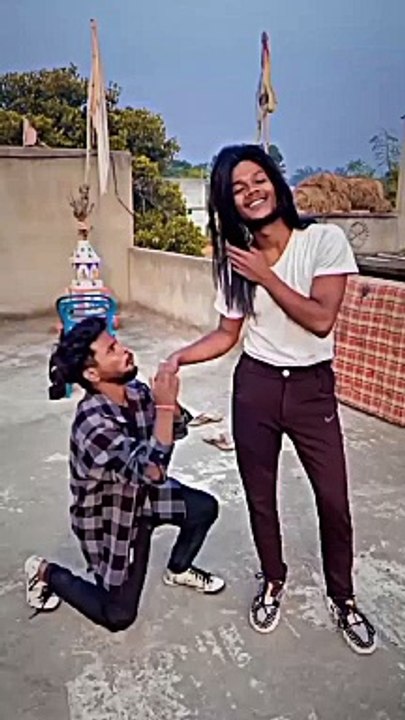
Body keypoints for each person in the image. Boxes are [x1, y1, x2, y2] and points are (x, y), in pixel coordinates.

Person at [164, 144, 377, 655]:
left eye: (258, 180)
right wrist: (177, 358)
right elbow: (226, 334)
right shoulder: (235, 262)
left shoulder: (322, 241)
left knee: (333, 500)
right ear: (228, 202)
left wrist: (266, 275)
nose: (251, 192)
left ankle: (343, 598)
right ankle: (273, 579)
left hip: (311, 390)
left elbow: (320, 319)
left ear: (275, 182)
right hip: (255, 387)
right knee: (260, 497)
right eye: (237, 188)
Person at [25, 317, 224, 632]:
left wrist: (171, 406)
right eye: (112, 350)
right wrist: (164, 409)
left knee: (203, 508)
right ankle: (44, 572)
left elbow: (175, 431)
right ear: (92, 374)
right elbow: (153, 471)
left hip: (144, 495)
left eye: (118, 343)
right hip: (112, 519)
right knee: (118, 616)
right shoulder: (92, 424)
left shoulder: (136, 391)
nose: (125, 351)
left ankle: (178, 569)